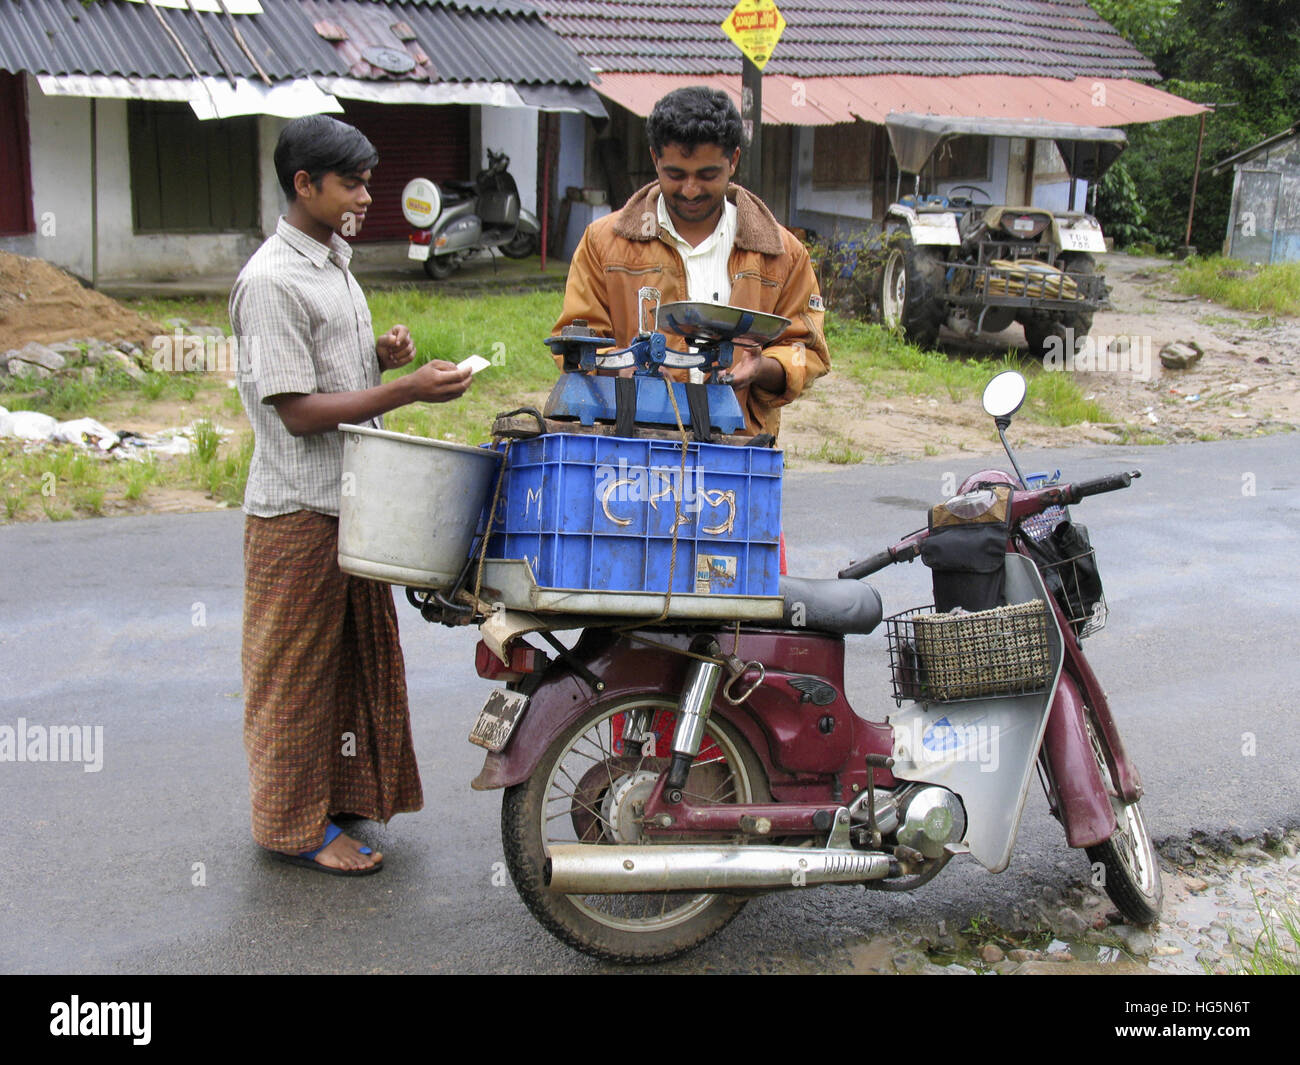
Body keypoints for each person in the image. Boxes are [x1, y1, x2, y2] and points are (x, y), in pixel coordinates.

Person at [230, 115, 473, 875]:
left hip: (349, 501)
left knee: (348, 666)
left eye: (368, 180)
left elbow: (324, 372)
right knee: (294, 679)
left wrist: (377, 356)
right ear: (304, 185)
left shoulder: (330, 261)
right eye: (353, 183)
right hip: (297, 511)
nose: (369, 196)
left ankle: (330, 799)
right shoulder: (269, 280)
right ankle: (293, 827)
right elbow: (297, 411)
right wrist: (403, 390)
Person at [553, 85, 829, 439]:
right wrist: (623, 370)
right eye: (676, 174)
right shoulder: (604, 244)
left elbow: (804, 350)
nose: (691, 190)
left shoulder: (781, 253)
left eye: (707, 175)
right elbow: (575, 341)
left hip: (735, 448)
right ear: (655, 159)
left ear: (733, 161)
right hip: (627, 447)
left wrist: (763, 367)